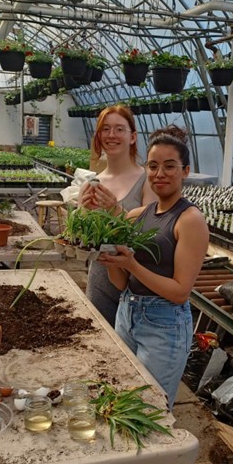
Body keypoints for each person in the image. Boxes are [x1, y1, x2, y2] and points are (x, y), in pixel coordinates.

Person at [97, 125, 209, 464]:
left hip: (165, 325)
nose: (160, 173)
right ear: (146, 169)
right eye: (154, 165)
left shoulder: (189, 219)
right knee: (129, 405)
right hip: (130, 314)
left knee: (153, 419)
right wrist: (113, 260)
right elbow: (121, 281)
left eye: (170, 166)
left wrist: (131, 266)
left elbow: (181, 290)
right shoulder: (137, 215)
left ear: (185, 171)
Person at [79, 105, 157, 326]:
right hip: (99, 281)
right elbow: (82, 242)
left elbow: (151, 236)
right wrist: (83, 215)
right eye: (105, 129)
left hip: (137, 284)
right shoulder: (92, 183)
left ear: (132, 137)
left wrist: (116, 211)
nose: (111, 135)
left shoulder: (147, 181)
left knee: (131, 357)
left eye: (119, 129)